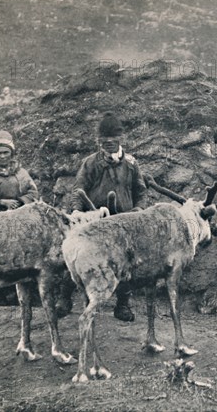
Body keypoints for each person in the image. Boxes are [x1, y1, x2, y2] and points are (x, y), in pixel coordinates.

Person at [70, 111, 147, 321]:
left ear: (121, 138)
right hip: (96, 220)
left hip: (124, 221)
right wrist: (77, 210)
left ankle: (122, 305)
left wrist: (139, 210)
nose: (109, 144)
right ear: (98, 141)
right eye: (104, 141)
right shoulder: (90, 163)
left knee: (126, 263)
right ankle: (70, 298)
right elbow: (79, 189)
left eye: (113, 139)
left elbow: (141, 191)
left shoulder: (131, 164)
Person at [0, 130, 39, 305]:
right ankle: (1, 294)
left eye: (6, 152)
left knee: (24, 255)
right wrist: (1, 202)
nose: (3, 156)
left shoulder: (21, 173)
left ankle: (29, 293)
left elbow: (33, 192)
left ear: (11, 153)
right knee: (0, 257)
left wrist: (19, 202)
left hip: (20, 221)